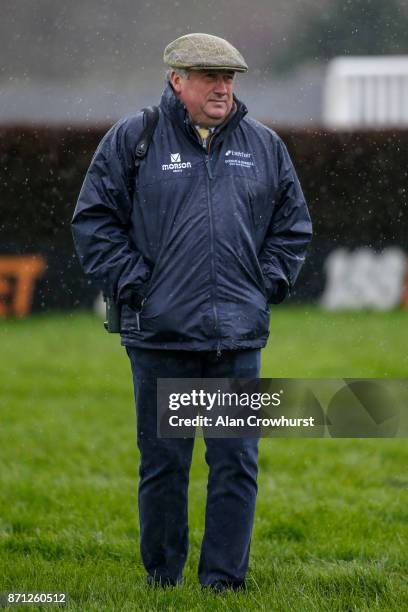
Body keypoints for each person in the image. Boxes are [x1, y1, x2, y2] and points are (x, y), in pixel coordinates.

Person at [71, 32, 312, 592]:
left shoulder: (265, 146)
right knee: (164, 469)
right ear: (177, 80)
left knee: (235, 468)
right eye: (209, 77)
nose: (222, 87)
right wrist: (140, 286)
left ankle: (224, 584)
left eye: (229, 78)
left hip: (238, 340)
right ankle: (162, 579)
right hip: (160, 340)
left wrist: (264, 283)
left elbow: (292, 228)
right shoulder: (134, 139)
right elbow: (93, 222)